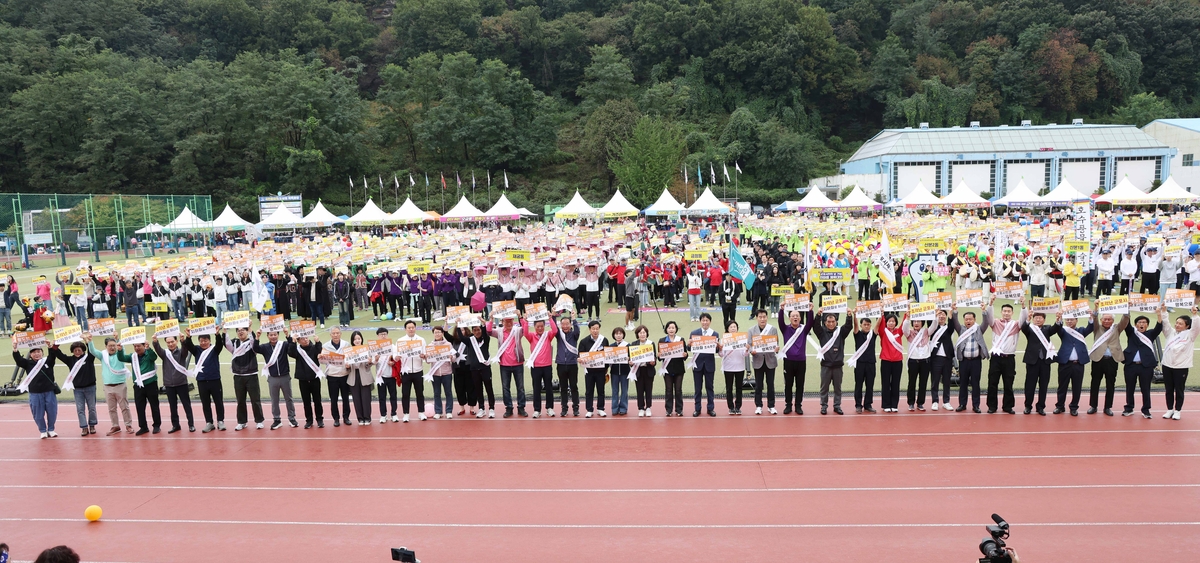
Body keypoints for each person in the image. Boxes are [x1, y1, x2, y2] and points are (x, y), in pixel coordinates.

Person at [985, 297, 1025, 414]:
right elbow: (989, 317)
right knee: (992, 383)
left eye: (1009, 311)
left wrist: (1023, 306)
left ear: (1012, 313)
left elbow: (1023, 319)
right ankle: (992, 406)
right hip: (996, 358)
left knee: (1008, 383)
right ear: (1001, 312)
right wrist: (990, 303)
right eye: (1004, 311)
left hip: (1009, 358)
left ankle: (1008, 406)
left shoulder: (1016, 325)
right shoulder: (995, 323)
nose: (1006, 313)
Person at [1159, 304, 1199, 420]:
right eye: (1177, 322)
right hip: (1167, 365)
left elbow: (1196, 327)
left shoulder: (1190, 335)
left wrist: (1194, 315)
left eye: (1181, 324)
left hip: (1181, 366)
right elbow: (1165, 323)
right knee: (1169, 389)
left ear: (1187, 326)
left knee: (1179, 389)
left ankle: (1178, 410)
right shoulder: (1170, 333)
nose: (1177, 325)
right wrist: (1164, 311)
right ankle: (1170, 409)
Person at [1020, 304, 1061, 416]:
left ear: (1044, 319)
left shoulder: (1047, 329)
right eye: (1036, 318)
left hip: (1045, 362)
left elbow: (1056, 328)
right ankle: (1028, 406)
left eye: (1040, 318)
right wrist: (1027, 318)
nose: (1038, 320)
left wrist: (1058, 319)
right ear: (1033, 319)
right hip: (1032, 361)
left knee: (1043, 385)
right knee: (1030, 385)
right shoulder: (1030, 329)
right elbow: (1023, 328)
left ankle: (1041, 407)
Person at [182, 330, 226, 432]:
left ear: (209, 341)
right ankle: (209, 422)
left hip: (214, 379)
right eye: (201, 341)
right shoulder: (196, 350)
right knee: (205, 403)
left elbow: (220, 344)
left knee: (218, 402)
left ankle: (220, 421)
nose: (203, 343)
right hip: (201, 381)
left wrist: (217, 334)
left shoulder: (214, 349)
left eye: (205, 340)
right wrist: (188, 337)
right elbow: (189, 345)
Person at [1087, 307, 1127, 416]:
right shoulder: (1097, 327)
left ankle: (1108, 407)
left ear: (1113, 321)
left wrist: (1126, 307)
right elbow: (1094, 318)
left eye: (1109, 319)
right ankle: (1093, 406)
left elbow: (1125, 319)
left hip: (1112, 360)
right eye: (1104, 319)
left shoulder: (1117, 328)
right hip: (1098, 359)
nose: (1106, 321)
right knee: (1095, 383)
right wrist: (1095, 308)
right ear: (1101, 320)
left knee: (1110, 384)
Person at [51, 341, 98, 436]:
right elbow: (59, 355)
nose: (77, 352)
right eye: (75, 350)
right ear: (72, 351)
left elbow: (92, 351)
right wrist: (55, 346)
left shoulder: (89, 358)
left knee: (92, 408)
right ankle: (84, 427)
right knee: (80, 409)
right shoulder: (70, 360)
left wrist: (88, 342)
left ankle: (92, 425)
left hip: (90, 387)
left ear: (83, 350)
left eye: (79, 350)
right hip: (77, 389)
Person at [151, 335, 196, 433]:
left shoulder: (182, 352)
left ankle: (191, 424)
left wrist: (183, 340)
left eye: (172, 341)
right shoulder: (164, 354)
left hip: (182, 383)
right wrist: (155, 342)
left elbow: (185, 350)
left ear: (176, 341)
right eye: (168, 342)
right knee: (173, 406)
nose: (170, 344)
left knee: (186, 405)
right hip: (169, 384)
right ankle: (176, 425)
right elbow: (158, 349)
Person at [89, 336, 134, 435]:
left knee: (124, 407)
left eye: (114, 345)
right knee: (111, 408)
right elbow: (93, 351)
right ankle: (115, 426)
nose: (112, 347)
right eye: (110, 346)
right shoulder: (102, 356)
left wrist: (118, 340)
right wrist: (89, 341)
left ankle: (128, 425)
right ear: (106, 346)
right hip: (107, 386)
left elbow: (122, 350)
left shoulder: (120, 354)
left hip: (120, 385)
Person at [115, 340, 160, 435]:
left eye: (139, 346)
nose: (137, 348)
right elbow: (122, 358)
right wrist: (119, 350)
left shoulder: (149, 354)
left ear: (144, 346)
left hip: (151, 384)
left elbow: (154, 357)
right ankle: (143, 427)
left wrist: (149, 348)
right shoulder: (133, 356)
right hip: (138, 386)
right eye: (135, 346)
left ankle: (156, 425)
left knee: (154, 405)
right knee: (140, 407)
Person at [812, 309, 853, 415]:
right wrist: (818, 314)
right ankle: (824, 406)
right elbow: (815, 326)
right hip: (826, 365)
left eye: (833, 321)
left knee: (838, 388)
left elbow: (848, 327)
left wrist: (849, 316)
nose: (831, 323)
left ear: (836, 322)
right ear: (825, 323)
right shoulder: (821, 332)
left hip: (838, 365)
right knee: (824, 387)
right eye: (828, 322)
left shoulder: (841, 332)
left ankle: (837, 406)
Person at [255, 328, 297, 430]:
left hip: (285, 376)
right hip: (272, 377)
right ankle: (277, 420)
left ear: (278, 335)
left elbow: (292, 350)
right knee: (274, 400)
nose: (273, 337)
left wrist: (288, 335)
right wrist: (257, 337)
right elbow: (255, 349)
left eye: (275, 335)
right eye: (271, 335)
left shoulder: (284, 345)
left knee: (289, 399)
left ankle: (292, 418)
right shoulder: (265, 347)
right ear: (268, 336)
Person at [1122, 312, 1162, 418]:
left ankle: (1146, 410)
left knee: (1145, 388)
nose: (1142, 324)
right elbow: (1127, 324)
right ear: (1136, 325)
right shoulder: (1131, 333)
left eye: (1144, 322)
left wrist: (1159, 314)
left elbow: (1159, 327)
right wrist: (1127, 310)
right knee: (1130, 388)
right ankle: (1129, 408)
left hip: (1146, 366)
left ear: (1147, 325)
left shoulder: (1151, 334)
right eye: (1139, 322)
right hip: (1131, 365)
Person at [14, 342, 58, 438]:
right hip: (35, 393)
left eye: (38, 351)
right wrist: (15, 349)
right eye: (34, 352)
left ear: (42, 353)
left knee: (52, 412)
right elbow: (18, 360)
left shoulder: (47, 362)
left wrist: (50, 347)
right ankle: (42, 430)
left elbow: (53, 356)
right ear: (30, 354)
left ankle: (51, 429)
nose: (36, 354)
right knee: (37, 414)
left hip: (49, 391)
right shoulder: (27, 363)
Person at [487, 315, 527, 417]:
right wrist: (491, 319)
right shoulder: (499, 332)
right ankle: (508, 408)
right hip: (504, 365)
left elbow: (525, 329)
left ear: (513, 321)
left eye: (510, 321)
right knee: (505, 388)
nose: (508, 323)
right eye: (506, 321)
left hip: (518, 363)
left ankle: (521, 407)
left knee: (520, 387)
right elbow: (488, 331)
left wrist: (521, 317)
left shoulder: (517, 331)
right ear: (502, 322)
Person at [225, 326, 264, 430]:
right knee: (240, 400)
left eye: (243, 330)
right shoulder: (234, 343)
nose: (240, 332)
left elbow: (254, 343)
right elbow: (226, 343)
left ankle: (259, 421)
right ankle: (242, 421)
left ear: (247, 331)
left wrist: (251, 327)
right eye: (238, 330)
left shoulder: (252, 342)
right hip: (238, 376)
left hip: (251, 375)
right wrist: (225, 329)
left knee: (255, 400)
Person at [950, 306, 987, 413]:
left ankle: (976, 405)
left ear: (975, 320)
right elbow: (955, 321)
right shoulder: (961, 329)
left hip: (976, 361)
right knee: (963, 383)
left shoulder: (979, 329)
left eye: (970, 319)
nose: (968, 321)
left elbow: (986, 322)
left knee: (976, 383)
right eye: (966, 319)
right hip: (964, 361)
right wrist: (955, 310)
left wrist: (984, 311)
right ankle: (962, 404)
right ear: (964, 320)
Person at [778, 307, 814, 414]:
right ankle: (788, 405)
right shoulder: (785, 329)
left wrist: (811, 311)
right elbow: (780, 321)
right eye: (793, 316)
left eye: (797, 316)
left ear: (800, 318)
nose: (795, 317)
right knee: (788, 384)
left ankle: (798, 405)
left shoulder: (804, 329)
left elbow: (810, 322)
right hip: (788, 361)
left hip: (801, 361)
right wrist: (781, 310)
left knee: (800, 384)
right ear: (789, 318)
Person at [522, 314, 558, 418]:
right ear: (534, 327)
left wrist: (550, 318)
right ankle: (537, 409)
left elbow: (555, 331)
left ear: (544, 326)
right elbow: (525, 332)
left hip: (547, 366)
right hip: (536, 367)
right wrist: (525, 321)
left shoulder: (548, 335)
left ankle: (549, 408)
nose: (540, 328)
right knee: (536, 388)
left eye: (542, 326)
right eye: (538, 326)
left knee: (549, 388)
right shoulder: (531, 336)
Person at [287, 333, 325, 428]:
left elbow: (320, 352)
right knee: (306, 401)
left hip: (314, 378)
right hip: (303, 379)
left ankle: (319, 419)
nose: (305, 340)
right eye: (302, 339)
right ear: (299, 341)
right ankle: (309, 420)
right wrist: (293, 342)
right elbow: (291, 353)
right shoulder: (298, 350)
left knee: (317, 400)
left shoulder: (314, 347)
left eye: (306, 337)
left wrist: (318, 342)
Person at [459, 323, 495, 418]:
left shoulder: (486, 339)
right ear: (472, 332)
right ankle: (481, 408)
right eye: (474, 330)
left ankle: (491, 408)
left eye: (478, 330)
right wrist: (458, 325)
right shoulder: (470, 341)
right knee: (478, 389)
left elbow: (485, 332)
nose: (477, 332)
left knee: (489, 388)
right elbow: (461, 338)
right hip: (474, 369)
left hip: (485, 368)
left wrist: (482, 323)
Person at [747, 309, 778, 415]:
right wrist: (752, 351)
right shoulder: (751, 330)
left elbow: (776, 343)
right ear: (756, 318)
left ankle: (771, 406)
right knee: (759, 385)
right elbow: (749, 344)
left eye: (764, 317)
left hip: (770, 360)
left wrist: (776, 348)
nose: (762, 319)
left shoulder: (773, 329)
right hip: (758, 360)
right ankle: (759, 405)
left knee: (771, 384)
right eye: (760, 317)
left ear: (767, 317)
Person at [395, 320, 426, 422]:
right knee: (405, 393)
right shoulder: (400, 341)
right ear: (405, 329)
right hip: (405, 372)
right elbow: (395, 356)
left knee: (420, 393)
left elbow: (425, 354)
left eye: (413, 327)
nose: (411, 329)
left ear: (415, 328)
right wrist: (397, 357)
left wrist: (423, 356)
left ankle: (421, 412)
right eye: (409, 328)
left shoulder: (421, 340)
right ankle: (406, 414)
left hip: (418, 370)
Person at [689, 313, 718, 417]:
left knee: (710, 387)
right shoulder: (694, 333)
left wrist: (718, 346)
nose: (705, 322)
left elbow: (717, 350)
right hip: (697, 364)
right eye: (703, 320)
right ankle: (697, 408)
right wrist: (689, 344)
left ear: (710, 321)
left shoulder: (715, 334)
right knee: (698, 388)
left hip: (709, 364)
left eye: (707, 320)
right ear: (700, 321)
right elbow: (689, 349)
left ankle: (711, 408)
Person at [578, 320, 609, 417]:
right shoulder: (584, 341)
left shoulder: (604, 340)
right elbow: (580, 354)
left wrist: (606, 368)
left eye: (597, 329)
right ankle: (589, 409)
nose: (595, 331)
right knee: (589, 390)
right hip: (589, 371)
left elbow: (608, 354)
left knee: (601, 390)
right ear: (589, 329)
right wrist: (580, 359)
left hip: (600, 370)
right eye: (593, 329)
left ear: (599, 329)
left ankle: (600, 408)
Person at [322, 327, 352, 426]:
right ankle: (336, 418)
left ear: (341, 334)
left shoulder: (346, 344)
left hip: (344, 374)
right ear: (330, 334)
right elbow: (322, 361)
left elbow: (350, 357)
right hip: (332, 375)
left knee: (345, 398)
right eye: (333, 333)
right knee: (333, 399)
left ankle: (346, 417)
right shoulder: (325, 346)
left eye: (337, 333)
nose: (335, 335)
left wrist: (348, 364)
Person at [902, 315, 932, 411]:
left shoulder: (926, 332)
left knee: (923, 383)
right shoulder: (909, 333)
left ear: (922, 323)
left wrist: (934, 315)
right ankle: (911, 402)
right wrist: (907, 318)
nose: (916, 323)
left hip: (925, 361)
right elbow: (904, 328)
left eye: (918, 321)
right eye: (914, 321)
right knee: (912, 383)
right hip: (913, 361)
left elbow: (934, 325)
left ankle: (920, 403)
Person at [927, 309, 955, 411]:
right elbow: (930, 322)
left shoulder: (948, 328)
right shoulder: (933, 327)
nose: (941, 317)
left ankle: (946, 401)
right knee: (935, 380)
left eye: (943, 315)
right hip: (935, 358)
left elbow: (952, 325)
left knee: (947, 380)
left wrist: (951, 313)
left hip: (947, 358)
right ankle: (935, 401)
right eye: (940, 315)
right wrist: (934, 313)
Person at [554, 313, 581, 417]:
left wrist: (574, 318)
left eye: (567, 324)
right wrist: (553, 316)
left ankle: (576, 408)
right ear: (560, 325)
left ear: (570, 325)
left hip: (572, 364)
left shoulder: (574, 335)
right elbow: (553, 327)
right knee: (563, 387)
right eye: (563, 324)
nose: (565, 326)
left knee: (574, 386)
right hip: (561, 364)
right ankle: (564, 408)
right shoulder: (558, 334)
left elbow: (577, 330)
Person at [849, 316, 877, 414]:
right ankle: (858, 405)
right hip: (860, 363)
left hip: (871, 363)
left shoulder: (873, 334)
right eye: (864, 324)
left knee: (870, 385)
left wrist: (881, 314)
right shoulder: (858, 334)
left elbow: (878, 326)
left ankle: (868, 405)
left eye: (868, 325)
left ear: (870, 325)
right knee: (859, 385)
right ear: (861, 325)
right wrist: (855, 315)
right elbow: (855, 325)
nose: (866, 326)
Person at [659, 320, 687, 416]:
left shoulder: (680, 339)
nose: (671, 329)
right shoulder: (662, 341)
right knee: (668, 390)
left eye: (673, 328)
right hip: (667, 369)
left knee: (678, 390)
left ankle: (679, 409)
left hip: (679, 369)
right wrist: (659, 355)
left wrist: (685, 354)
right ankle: (669, 410)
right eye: (669, 328)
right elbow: (659, 357)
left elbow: (685, 356)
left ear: (676, 329)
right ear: (666, 329)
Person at [346, 330, 375, 424]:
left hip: (365, 376)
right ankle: (360, 418)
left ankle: (367, 417)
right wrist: (347, 366)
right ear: (352, 341)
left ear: (361, 339)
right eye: (355, 339)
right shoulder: (349, 351)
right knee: (356, 399)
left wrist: (370, 362)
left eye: (359, 338)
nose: (357, 341)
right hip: (353, 376)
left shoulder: (366, 350)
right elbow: (347, 367)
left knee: (366, 398)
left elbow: (369, 365)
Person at [877, 314, 904, 412]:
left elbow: (904, 325)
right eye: (889, 321)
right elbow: (881, 324)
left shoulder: (899, 332)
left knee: (896, 384)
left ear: (896, 322)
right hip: (886, 361)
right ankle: (886, 405)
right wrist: (882, 314)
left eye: (893, 321)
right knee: (885, 383)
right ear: (886, 322)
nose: (891, 323)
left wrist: (906, 314)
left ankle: (894, 404)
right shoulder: (883, 332)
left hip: (897, 361)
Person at [718, 320, 746, 415]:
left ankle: (738, 407)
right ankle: (730, 407)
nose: (733, 328)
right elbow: (721, 355)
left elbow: (744, 354)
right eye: (731, 327)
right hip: (728, 367)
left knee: (739, 388)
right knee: (729, 388)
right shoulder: (723, 340)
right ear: (727, 329)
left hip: (740, 367)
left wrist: (747, 349)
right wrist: (720, 349)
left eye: (735, 326)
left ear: (737, 328)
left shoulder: (742, 339)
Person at [373, 327, 399, 423]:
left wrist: (393, 362)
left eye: (385, 334)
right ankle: (383, 415)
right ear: (378, 336)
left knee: (393, 395)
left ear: (387, 335)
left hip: (391, 375)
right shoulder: (375, 348)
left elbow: (396, 358)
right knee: (382, 397)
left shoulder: (392, 346)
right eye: (381, 334)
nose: (383, 336)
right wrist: (375, 359)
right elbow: (373, 362)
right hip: (381, 376)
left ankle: (394, 413)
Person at [631, 325, 657, 417]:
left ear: (647, 334)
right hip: (638, 371)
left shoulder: (651, 343)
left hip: (648, 370)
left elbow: (655, 358)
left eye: (644, 332)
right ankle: (641, 408)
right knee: (640, 390)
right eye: (640, 333)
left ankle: (648, 407)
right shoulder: (633, 344)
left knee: (648, 390)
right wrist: (630, 362)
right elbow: (630, 359)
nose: (642, 334)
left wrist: (653, 362)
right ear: (637, 334)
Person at [608, 326, 631, 415]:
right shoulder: (611, 346)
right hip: (614, 372)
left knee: (624, 391)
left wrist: (629, 358)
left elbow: (632, 358)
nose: (618, 335)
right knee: (614, 391)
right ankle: (614, 408)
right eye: (616, 334)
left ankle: (623, 408)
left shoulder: (628, 345)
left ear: (623, 335)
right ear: (614, 335)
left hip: (625, 372)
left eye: (620, 334)